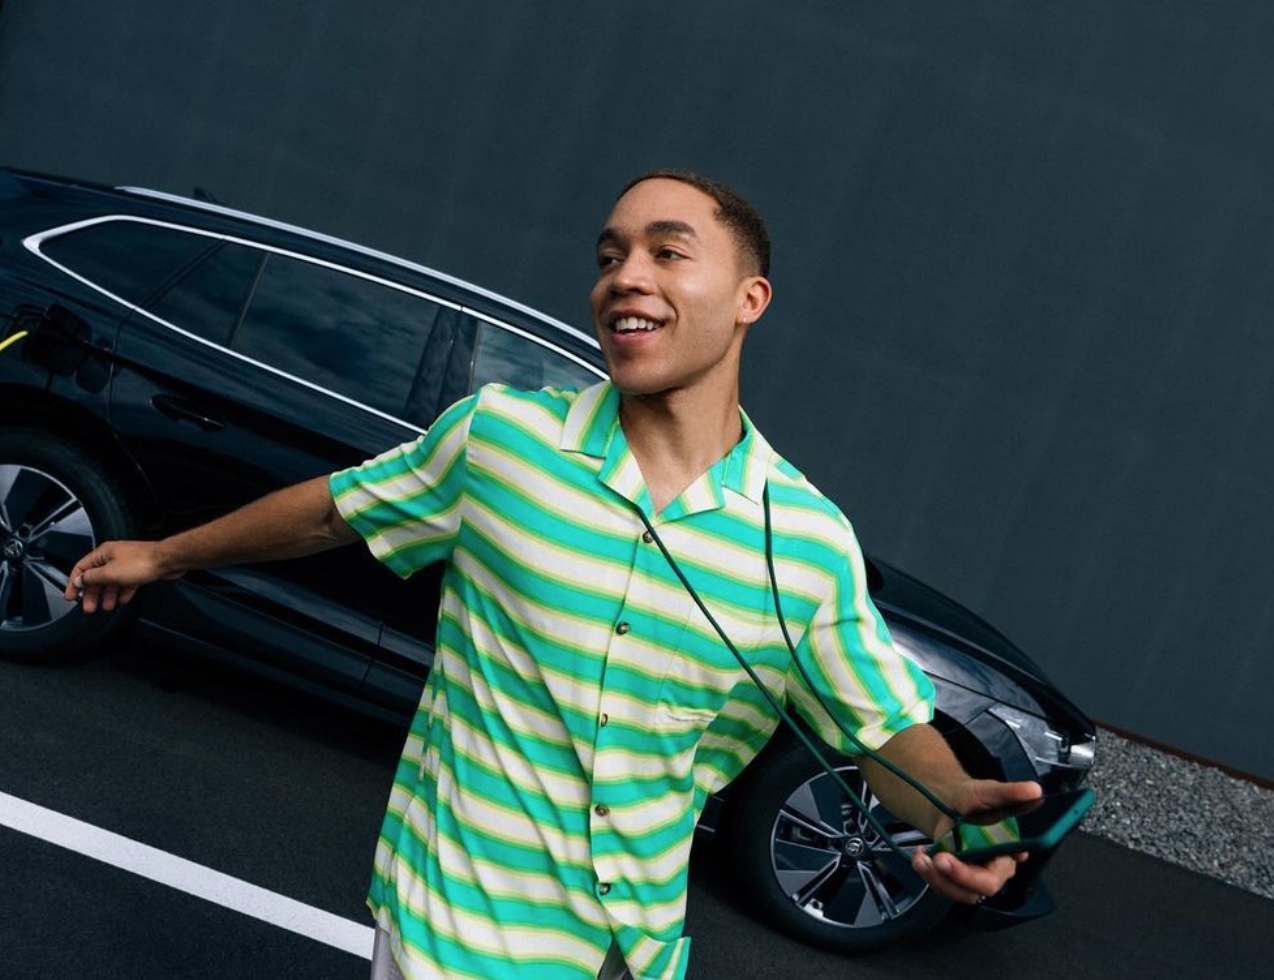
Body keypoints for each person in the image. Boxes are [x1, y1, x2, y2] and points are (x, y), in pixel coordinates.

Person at [65, 170, 1042, 980]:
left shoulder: (806, 541)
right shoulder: (502, 442)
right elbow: (333, 509)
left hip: (625, 957)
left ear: (750, 299)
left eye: (666, 251)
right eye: (609, 255)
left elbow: (880, 729)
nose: (624, 276)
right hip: (448, 932)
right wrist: (160, 554)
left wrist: (955, 809)